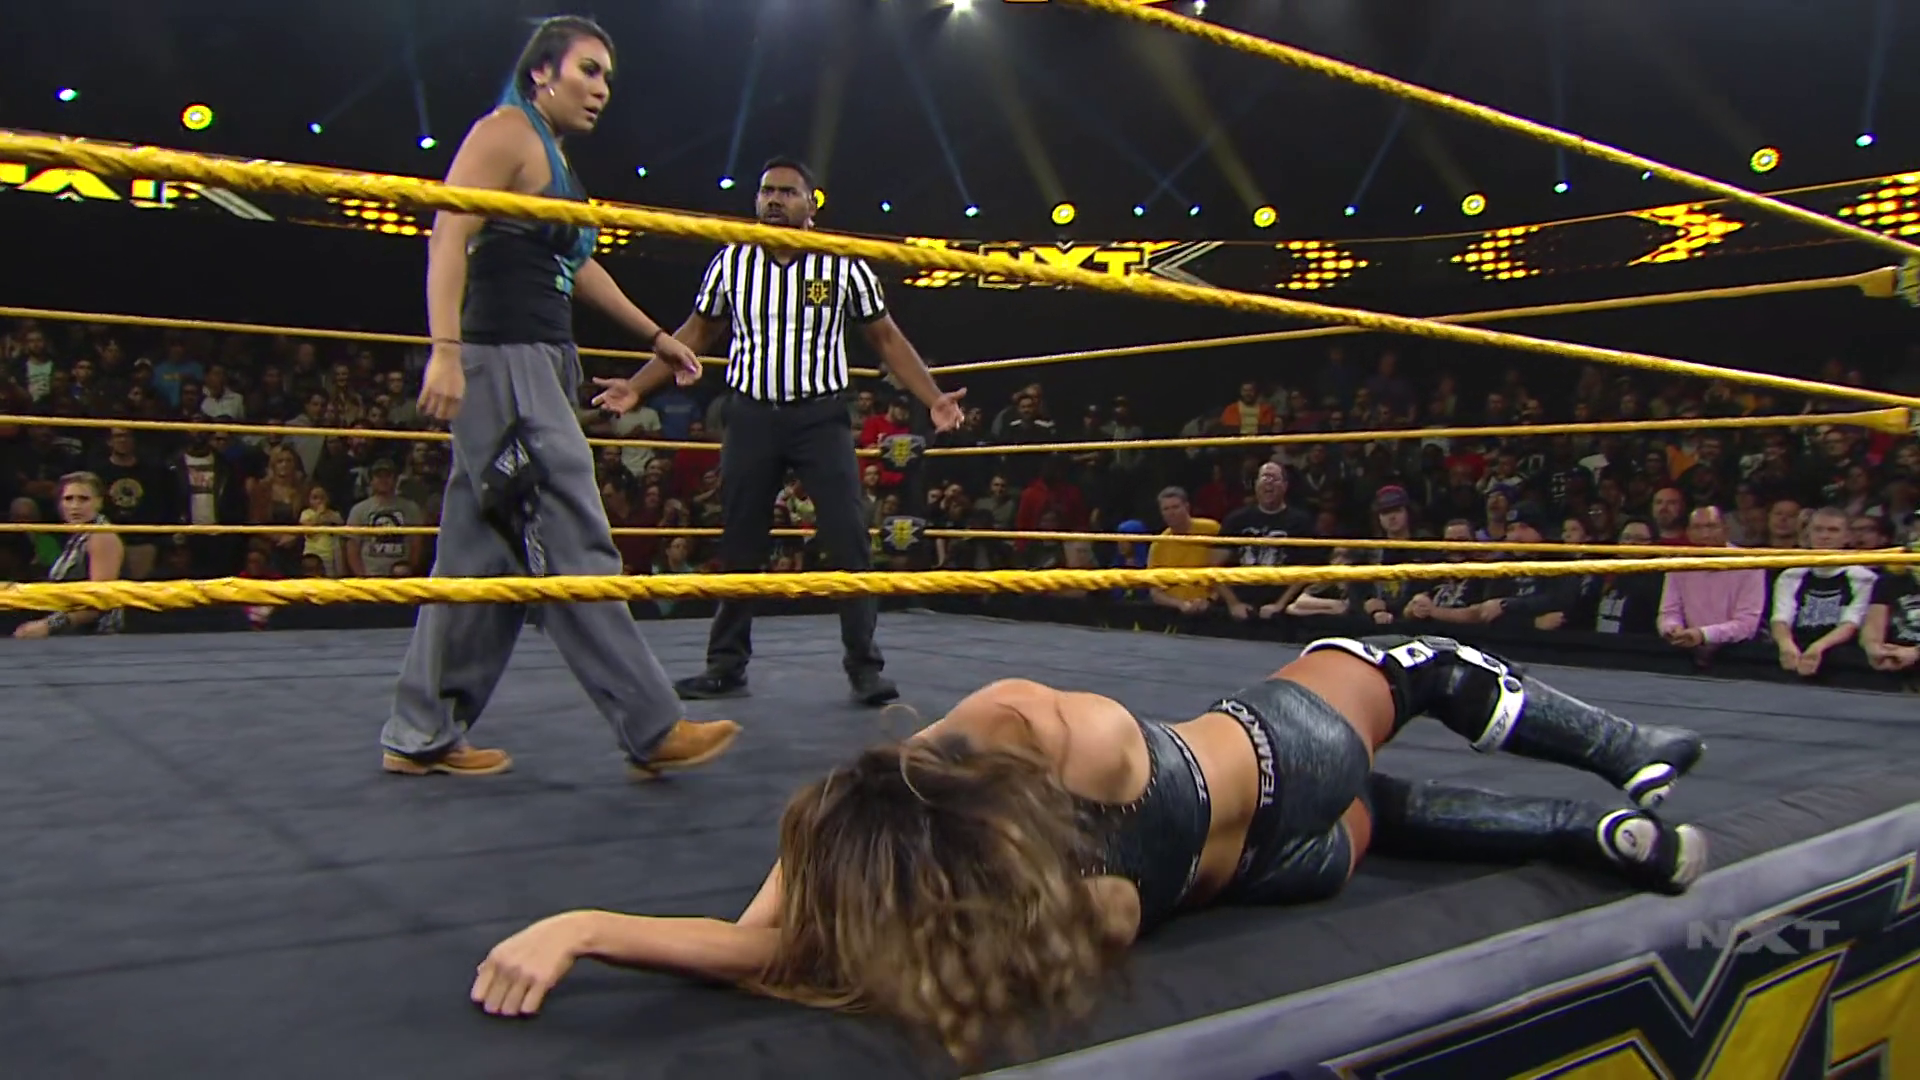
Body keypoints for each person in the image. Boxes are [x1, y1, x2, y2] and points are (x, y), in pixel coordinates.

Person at [473, 635, 1708, 1063]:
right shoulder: (1036, 729)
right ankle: (1623, 755)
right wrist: (888, 777)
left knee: (1376, 818)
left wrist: (583, 926)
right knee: (1406, 665)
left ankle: (1584, 835)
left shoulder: (1041, 921)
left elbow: (760, 945)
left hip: (1279, 872)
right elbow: (931, 766)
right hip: (1281, 758)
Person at [381, 16, 740, 779]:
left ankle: (420, 732)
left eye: (608, 76)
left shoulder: (554, 160)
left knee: (481, 553)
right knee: (570, 527)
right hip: (505, 360)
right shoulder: (506, 132)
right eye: (589, 70)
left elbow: (579, 264)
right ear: (542, 72)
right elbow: (448, 234)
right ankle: (651, 724)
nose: (602, 89)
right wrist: (445, 349)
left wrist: (657, 337)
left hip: (538, 360)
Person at [593, 156, 967, 708]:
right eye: (767, 190)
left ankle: (865, 668)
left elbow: (886, 339)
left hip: (821, 417)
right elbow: (696, 332)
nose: (773, 200)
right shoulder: (731, 261)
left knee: (849, 538)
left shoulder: (842, 263)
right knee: (739, 539)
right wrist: (637, 387)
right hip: (751, 415)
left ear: (810, 204)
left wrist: (932, 397)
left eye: (787, 192)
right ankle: (725, 666)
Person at [12, 471, 126, 639]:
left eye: (83, 499)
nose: (75, 506)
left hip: (95, 637)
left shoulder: (101, 537)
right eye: (68, 499)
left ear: (99, 502)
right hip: (74, 634)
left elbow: (100, 601)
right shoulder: (80, 535)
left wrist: (48, 625)